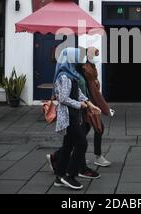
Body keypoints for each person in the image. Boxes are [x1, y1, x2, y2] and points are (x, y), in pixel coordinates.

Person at [51, 48, 101, 190]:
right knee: (82, 144)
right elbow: (63, 98)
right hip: (68, 117)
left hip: (73, 115)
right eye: (76, 57)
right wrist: (81, 105)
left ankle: (59, 176)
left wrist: (90, 105)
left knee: (68, 146)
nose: (79, 59)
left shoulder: (71, 74)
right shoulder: (64, 77)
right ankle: (70, 175)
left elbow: (78, 93)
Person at [79, 47, 112, 167]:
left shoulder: (90, 68)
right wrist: (105, 108)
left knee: (85, 129)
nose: (95, 57)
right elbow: (95, 93)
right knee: (99, 128)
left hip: (89, 103)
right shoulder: (86, 69)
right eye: (93, 55)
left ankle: (78, 155)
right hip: (89, 104)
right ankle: (98, 156)